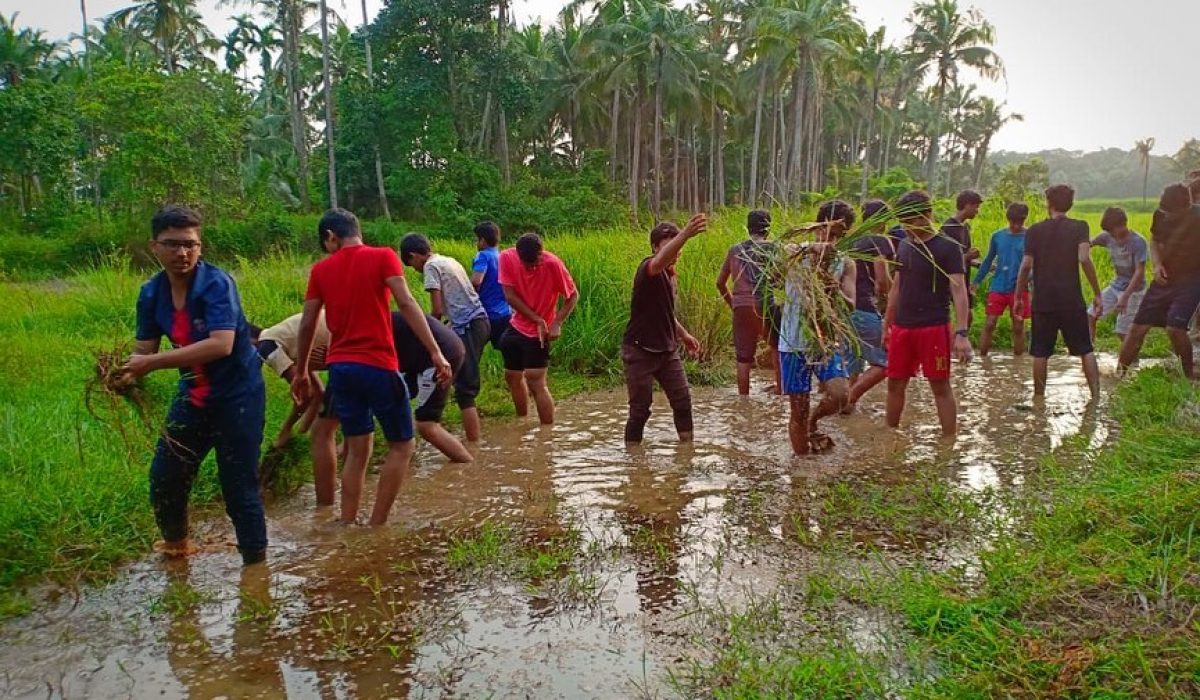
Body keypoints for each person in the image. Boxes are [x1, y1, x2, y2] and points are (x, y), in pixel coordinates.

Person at [122, 206, 268, 564]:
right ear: (154, 247)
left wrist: (149, 364)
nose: (182, 253)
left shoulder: (217, 284)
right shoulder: (151, 293)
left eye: (190, 245)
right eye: (172, 245)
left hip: (238, 397)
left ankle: (256, 570)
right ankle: (177, 549)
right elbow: (144, 349)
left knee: (238, 487)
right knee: (165, 477)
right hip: (193, 395)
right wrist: (127, 372)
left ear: (200, 247)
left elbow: (222, 344)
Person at [291, 208, 452, 527]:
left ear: (330, 237)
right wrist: (435, 351)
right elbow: (406, 304)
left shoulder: (321, 270)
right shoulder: (383, 257)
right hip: (378, 364)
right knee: (402, 445)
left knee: (357, 449)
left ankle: (347, 522)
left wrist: (300, 371)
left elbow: (308, 322)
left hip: (341, 369)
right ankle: (377, 525)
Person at [884, 190, 973, 435]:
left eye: (913, 220)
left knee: (940, 385)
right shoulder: (903, 245)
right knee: (895, 383)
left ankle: (948, 443)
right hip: (903, 327)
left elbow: (959, 292)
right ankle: (889, 436)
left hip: (933, 326)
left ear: (928, 215)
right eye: (904, 221)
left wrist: (962, 333)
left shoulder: (947, 247)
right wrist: (887, 324)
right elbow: (896, 287)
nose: (909, 227)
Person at [778, 200, 856, 455]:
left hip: (824, 342)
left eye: (838, 236)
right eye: (828, 233)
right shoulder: (796, 251)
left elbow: (851, 304)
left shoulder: (845, 263)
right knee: (797, 409)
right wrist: (814, 249)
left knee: (840, 394)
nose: (832, 241)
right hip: (793, 341)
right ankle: (801, 469)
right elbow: (781, 252)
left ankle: (814, 421)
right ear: (817, 226)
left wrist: (834, 289)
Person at [622, 215, 706, 444]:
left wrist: (684, 334)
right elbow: (658, 262)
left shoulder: (670, 276)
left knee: (682, 401)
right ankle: (633, 459)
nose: (674, 250)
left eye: (676, 243)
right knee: (640, 410)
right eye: (667, 244)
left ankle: (687, 449)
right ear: (654, 248)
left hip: (667, 350)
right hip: (639, 349)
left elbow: (665, 312)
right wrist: (686, 234)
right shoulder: (648, 267)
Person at [399, 233, 491, 442]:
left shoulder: (431, 267)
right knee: (451, 377)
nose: (416, 269)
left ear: (414, 256)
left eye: (412, 264)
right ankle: (433, 423)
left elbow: (437, 310)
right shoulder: (449, 260)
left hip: (468, 326)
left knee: (465, 391)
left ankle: (473, 447)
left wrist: (427, 332)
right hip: (479, 322)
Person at [1013, 185, 1103, 397]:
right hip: (1071, 299)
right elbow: (1083, 258)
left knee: (1040, 352)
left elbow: (1026, 266)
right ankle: (1096, 397)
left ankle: (1038, 399)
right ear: (1070, 204)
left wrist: (1018, 296)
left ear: (1049, 203)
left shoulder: (1035, 230)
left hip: (1043, 300)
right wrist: (1097, 292)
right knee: (1085, 349)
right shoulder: (1080, 226)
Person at [251, 313, 341, 506]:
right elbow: (318, 393)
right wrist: (298, 433)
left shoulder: (267, 346)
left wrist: (286, 430)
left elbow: (305, 393)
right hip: (353, 338)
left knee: (323, 432)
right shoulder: (284, 338)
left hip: (349, 348)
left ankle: (326, 508)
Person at [1117, 183, 1200, 378]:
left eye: (1172, 213)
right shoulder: (1160, 214)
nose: (1168, 216)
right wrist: (1156, 265)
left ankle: (1188, 378)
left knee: (1175, 328)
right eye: (1165, 211)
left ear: (1187, 205)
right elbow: (1154, 240)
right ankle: (1119, 376)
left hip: (1192, 278)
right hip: (1165, 277)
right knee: (1137, 328)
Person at [498, 232, 580, 425]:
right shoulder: (506, 258)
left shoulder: (552, 264)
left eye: (534, 263)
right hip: (517, 325)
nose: (530, 268)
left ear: (541, 253)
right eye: (526, 264)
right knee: (512, 376)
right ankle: (522, 421)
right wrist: (536, 318)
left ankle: (547, 435)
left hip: (539, 334)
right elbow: (509, 295)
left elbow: (573, 296)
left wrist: (557, 322)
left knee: (536, 381)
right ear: (518, 255)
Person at [391, 311, 473, 464]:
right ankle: (401, 454)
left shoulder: (369, 334)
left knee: (427, 425)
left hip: (439, 356)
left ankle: (467, 465)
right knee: (394, 400)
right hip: (424, 356)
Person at [717, 209, 781, 395]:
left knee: (743, 358)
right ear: (768, 228)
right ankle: (780, 389)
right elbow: (780, 278)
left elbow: (720, 283)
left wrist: (733, 303)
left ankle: (743, 398)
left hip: (741, 307)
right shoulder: (773, 248)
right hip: (765, 305)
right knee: (776, 347)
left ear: (748, 228)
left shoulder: (735, 250)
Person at [845, 199, 895, 410]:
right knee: (886, 363)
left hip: (846, 309)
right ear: (881, 219)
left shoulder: (851, 241)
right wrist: (893, 297)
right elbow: (882, 278)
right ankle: (849, 398)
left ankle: (845, 407)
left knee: (853, 362)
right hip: (866, 307)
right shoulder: (879, 241)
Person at [972, 202, 1030, 356]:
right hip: (998, 286)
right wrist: (976, 281)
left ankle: (1018, 362)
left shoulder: (1030, 236)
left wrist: (1031, 282)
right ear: (1008, 219)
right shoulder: (998, 236)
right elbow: (988, 261)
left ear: (1025, 220)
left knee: (1018, 325)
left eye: (1020, 222)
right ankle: (982, 358)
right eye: (1013, 222)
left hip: (1020, 288)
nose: (1016, 226)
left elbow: (1036, 264)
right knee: (990, 323)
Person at [1087, 207, 1148, 343]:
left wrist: (1125, 297)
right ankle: (1090, 349)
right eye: (1109, 232)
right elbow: (1088, 243)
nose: (1112, 235)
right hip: (1116, 285)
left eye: (1113, 231)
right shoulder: (1106, 237)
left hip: (1134, 290)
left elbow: (1139, 272)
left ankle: (1131, 359)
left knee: (1122, 331)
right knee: (1091, 314)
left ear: (1123, 224)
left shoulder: (1138, 242)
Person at [941, 189, 984, 327]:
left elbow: (962, 257)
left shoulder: (964, 228)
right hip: (951, 280)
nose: (977, 211)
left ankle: (955, 345)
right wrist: (968, 256)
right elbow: (943, 259)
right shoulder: (948, 227)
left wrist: (978, 264)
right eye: (976, 206)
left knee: (967, 317)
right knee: (957, 317)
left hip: (963, 278)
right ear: (967, 205)